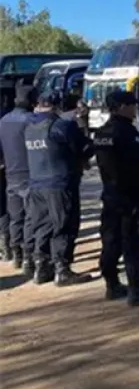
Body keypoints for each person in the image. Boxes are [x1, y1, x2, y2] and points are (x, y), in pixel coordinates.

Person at [93, 91, 139, 305]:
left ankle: (112, 283)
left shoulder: (101, 132)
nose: (135, 108)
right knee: (132, 242)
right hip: (131, 195)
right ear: (122, 106)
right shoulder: (127, 133)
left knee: (111, 240)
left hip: (110, 194)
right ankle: (136, 287)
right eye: (132, 104)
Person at [24, 91, 94, 286]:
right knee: (64, 225)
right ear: (57, 106)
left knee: (42, 226)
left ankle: (41, 267)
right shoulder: (61, 125)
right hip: (60, 184)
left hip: (36, 184)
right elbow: (85, 148)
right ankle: (62, 270)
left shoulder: (30, 127)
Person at [0, 82, 37, 275]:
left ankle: (16, 254)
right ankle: (29, 258)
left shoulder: (4, 120)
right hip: (29, 174)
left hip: (10, 174)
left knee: (15, 218)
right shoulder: (31, 120)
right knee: (30, 218)